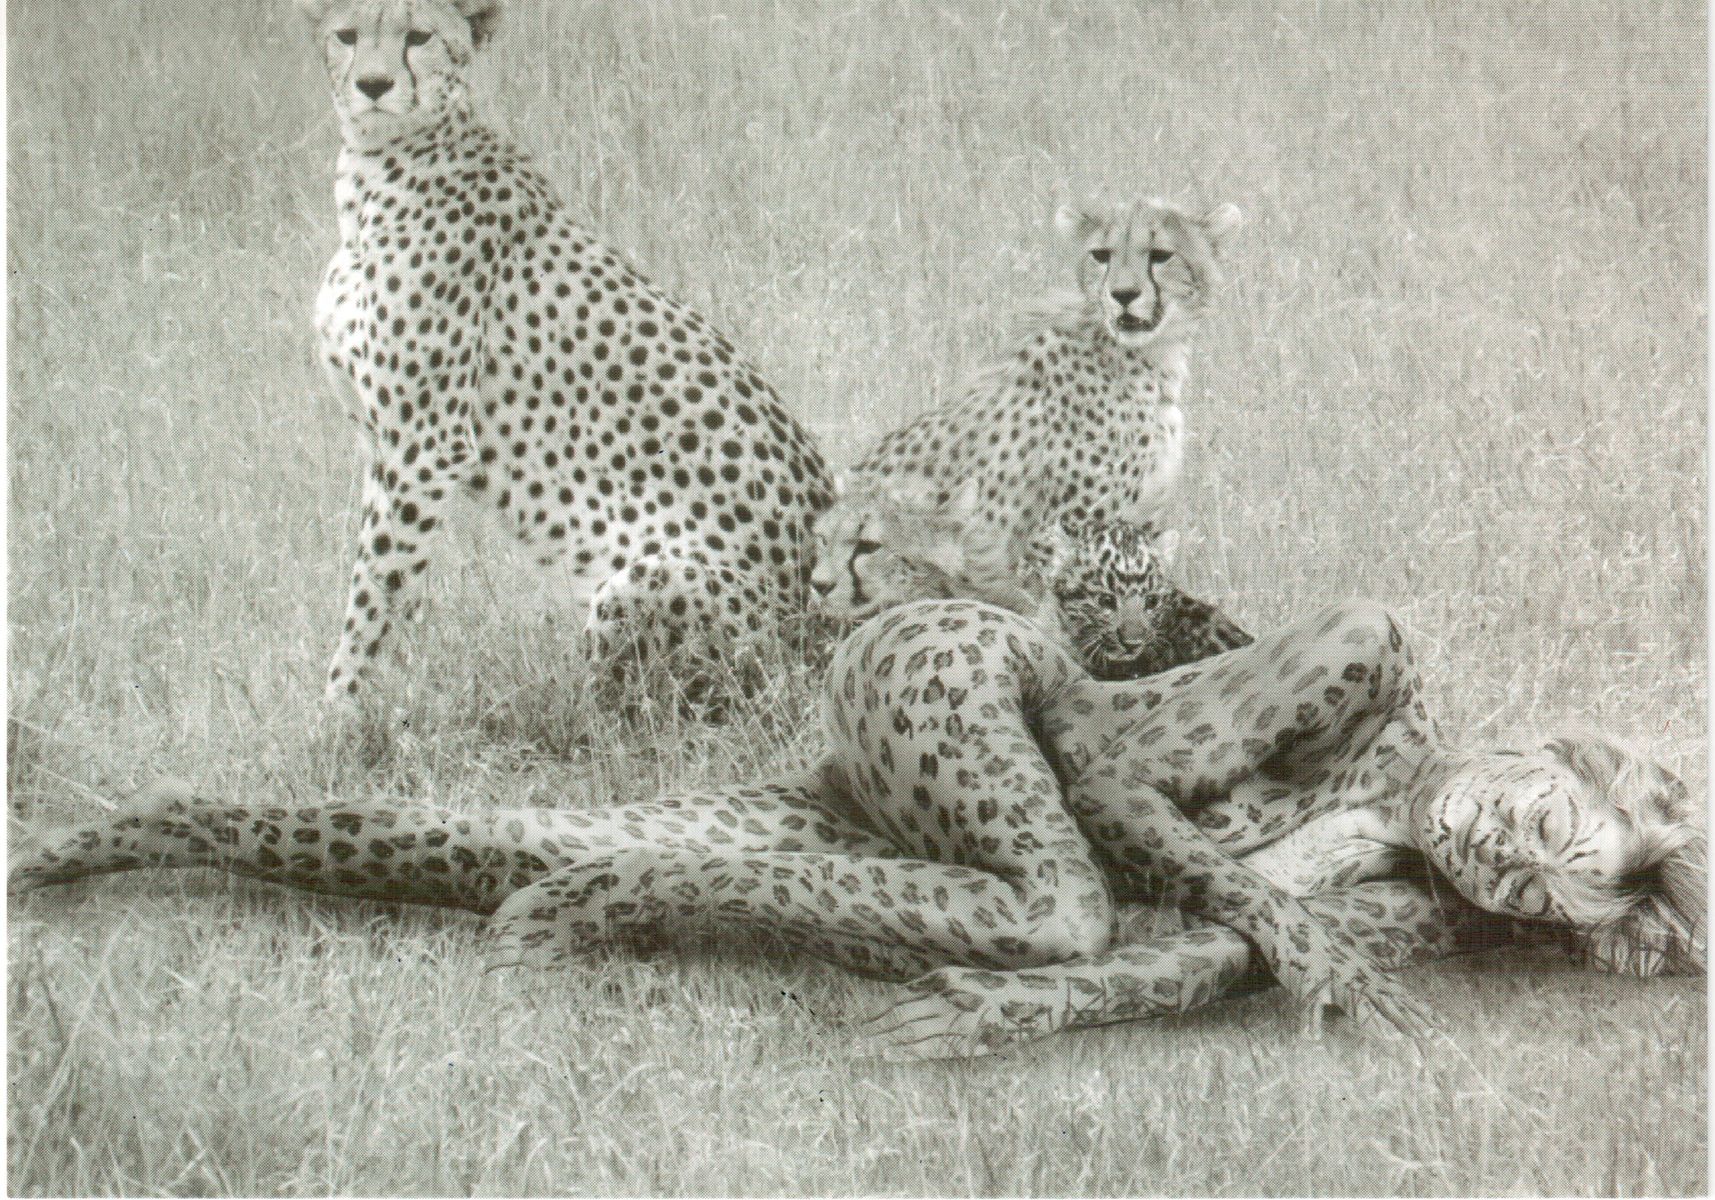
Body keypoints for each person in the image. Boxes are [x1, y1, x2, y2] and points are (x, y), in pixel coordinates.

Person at [11, 600, 1703, 1057]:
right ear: (1553, 746)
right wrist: (1265, 914)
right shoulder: (1368, 666)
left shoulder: (1400, 906)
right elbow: (1108, 784)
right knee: (1060, 907)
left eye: (1538, 885)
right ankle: (656, 895)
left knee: (493, 845)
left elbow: (1187, 976)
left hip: (939, 834)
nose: (1502, 846)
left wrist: (1023, 1013)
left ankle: (120, 816)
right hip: (956, 681)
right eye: (1541, 812)